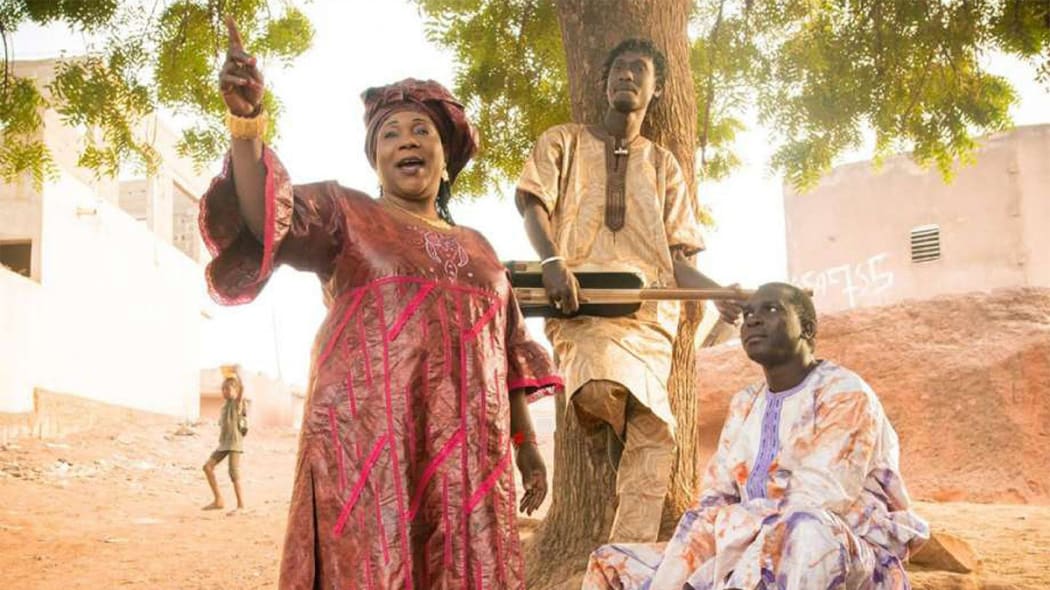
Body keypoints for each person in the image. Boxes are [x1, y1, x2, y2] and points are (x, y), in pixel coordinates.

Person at [202, 17, 561, 589]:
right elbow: (262, 216)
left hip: (470, 464)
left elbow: (510, 359)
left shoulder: (484, 252)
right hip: (368, 450)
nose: (408, 141)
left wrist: (527, 448)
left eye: (423, 131)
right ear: (375, 159)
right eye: (391, 134)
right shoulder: (346, 213)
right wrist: (247, 127)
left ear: (446, 157)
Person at [515, 38, 736, 543]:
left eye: (640, 70)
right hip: (580, 305)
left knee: (655, 431)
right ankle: (614, 441)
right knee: (597, 386)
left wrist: (720, 291)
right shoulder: (562, 141)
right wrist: (552, 261)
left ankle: (626, 559)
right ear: (604, 81)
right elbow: (532, 205)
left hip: (648, 318)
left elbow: (679, 259)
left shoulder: (663, 166)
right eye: (619, 68)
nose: (628, 76)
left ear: (656, 91)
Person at [583, 283, 929, 589]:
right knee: (611, 561)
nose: (753, 319)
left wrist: (728, 542)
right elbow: (715, 497)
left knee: (803, 529)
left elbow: (816, 499)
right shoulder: (745, 403)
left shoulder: (845, 394)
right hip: (740, 544)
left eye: (772, 309)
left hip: (840, 550)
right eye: (748, 313)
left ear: (807, 328)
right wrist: (693, 570)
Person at [202, 375, 247, 511]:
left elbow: (242, 389)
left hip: (234, 443)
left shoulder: (236, 404)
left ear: (235, 390)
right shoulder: (224, 407)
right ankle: (218, 500)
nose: (225, 392)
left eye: (228, 389)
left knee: (233, 473)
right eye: (223, 389)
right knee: (207, 467)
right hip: (224, 444)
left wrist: (238, 374)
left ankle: (241, 506)